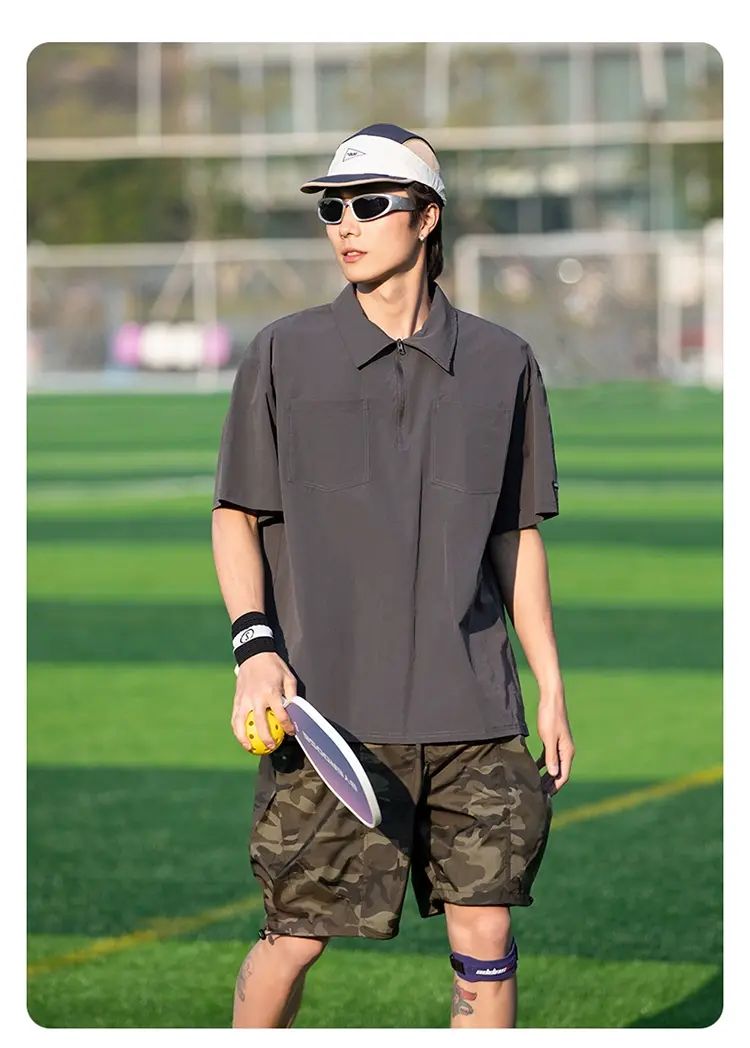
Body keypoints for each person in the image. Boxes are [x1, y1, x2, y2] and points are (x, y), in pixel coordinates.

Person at [211, 122, 575, 1030]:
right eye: (333, 207)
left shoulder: (503, 362)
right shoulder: (282, 353)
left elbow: (516, 535)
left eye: (370, 204)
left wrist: (550, 684)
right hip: (329, 714)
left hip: (474, 713)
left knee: (486, 933)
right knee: (295, 936)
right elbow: (236, 515)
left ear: (427, 217)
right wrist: (254, 649)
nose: (346, 224)